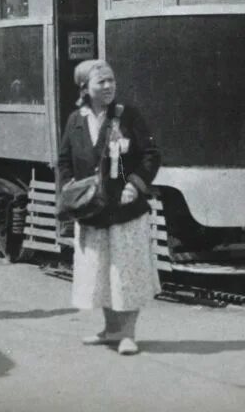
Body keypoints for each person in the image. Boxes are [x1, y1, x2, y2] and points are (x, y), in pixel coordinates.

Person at [57, 59, 161, 356]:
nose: (108, 86)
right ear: (85, 88)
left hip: (124, 210)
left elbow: (151, 155)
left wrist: (135, 185)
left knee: (125, 273)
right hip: (92, 212)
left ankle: (128, 334)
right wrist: (69, 190)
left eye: (111, 80)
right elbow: (64, 160)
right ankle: (110, 330)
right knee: (100, 274)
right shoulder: (75, 120)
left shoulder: (127, 116)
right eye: (101, 82)